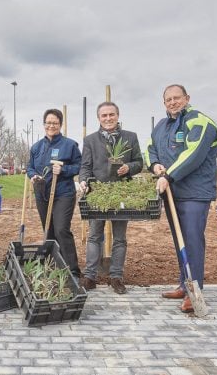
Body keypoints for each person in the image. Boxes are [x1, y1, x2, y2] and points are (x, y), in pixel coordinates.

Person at [145, 84, 217, 313]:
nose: (173, 102)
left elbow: (193, 154)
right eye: (168, 99)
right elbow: (149, 148)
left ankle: (194, 291)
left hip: (195, 193)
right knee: (181, 240)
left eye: (177, 98)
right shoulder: (161, 126)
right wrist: (155, 165)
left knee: (192, 240)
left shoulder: (200, 121)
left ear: (187, 98)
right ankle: (183, 284)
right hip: (172, 192)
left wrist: (168, 175)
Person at [79, 102, 143, 294]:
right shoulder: (90, 140)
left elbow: (139, 162)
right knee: (94, 236)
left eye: (111, 115)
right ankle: (90, 276)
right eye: (104, 115)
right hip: (98, 193)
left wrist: (129, 168)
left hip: (121, 193)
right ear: (98, 118)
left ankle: (116, 277)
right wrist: (83, 181)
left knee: (120, 238)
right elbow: (85, 166)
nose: (108, 118)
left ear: (117, 115)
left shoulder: (130, 137)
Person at [27, 108, 81, 278]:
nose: (51, 126)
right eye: (48, 123)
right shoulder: (37, 147)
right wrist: (33, 175)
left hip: (63, 193)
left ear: (60, 124)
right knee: (48, 230)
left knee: (61, 229)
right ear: (44, 124)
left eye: (55, 123)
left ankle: (72, 270)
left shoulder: (70, 145)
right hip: (42, 193)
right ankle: (53, 267)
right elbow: (30, 167)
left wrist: (64, 169)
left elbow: (80, 166)